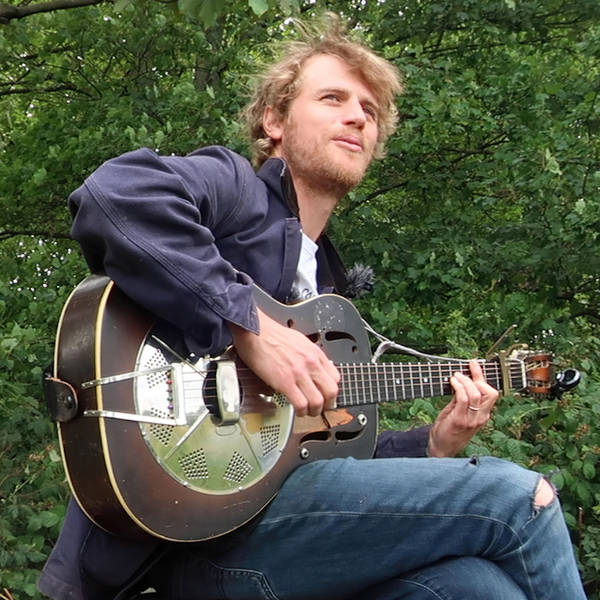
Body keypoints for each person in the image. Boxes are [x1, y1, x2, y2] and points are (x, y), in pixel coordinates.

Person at [39, 14, 587, 600]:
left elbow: (316, 452)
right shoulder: (233, 191)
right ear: (274, 121)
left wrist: (435, 443)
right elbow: (114, 194)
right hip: (179, 543)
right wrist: (246, 324)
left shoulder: (329, 294)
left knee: (474, 587)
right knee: (517, 498)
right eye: (333, 98)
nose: (357, 116)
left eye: (370, 112)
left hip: (276, 534)